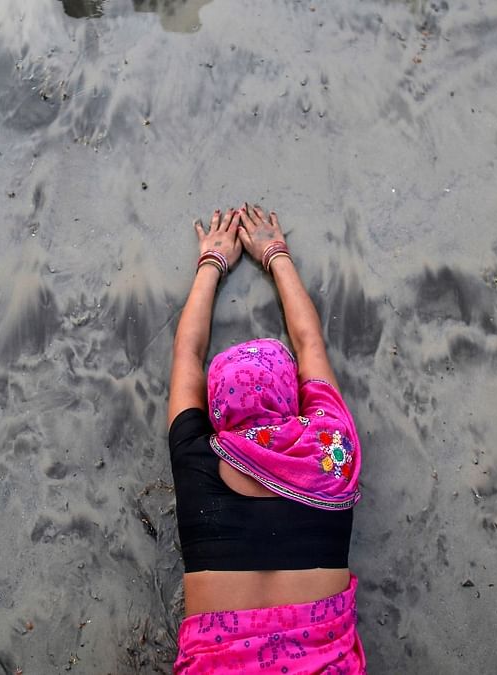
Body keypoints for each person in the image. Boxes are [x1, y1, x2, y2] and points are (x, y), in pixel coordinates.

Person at [167, 205, 366, 673]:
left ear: (217, 414)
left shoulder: (196, 458)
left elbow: (187, 354)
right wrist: (276, 253)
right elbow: (310, 343)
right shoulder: (329, 451)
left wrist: (211, 262)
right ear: (292, 399)